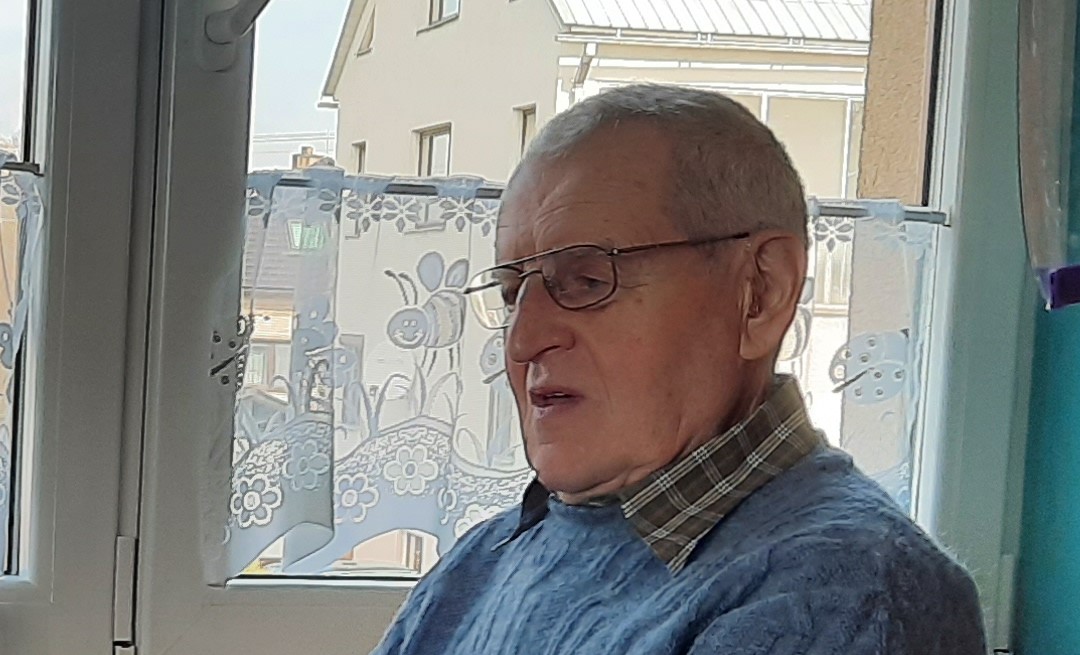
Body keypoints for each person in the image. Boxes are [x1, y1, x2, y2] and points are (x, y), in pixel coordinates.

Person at [370, 84, 986, 654]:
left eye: (587, 280)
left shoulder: (844, 594)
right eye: (512, 295)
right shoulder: (485, 559)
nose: (524, 339)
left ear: (761, 293)